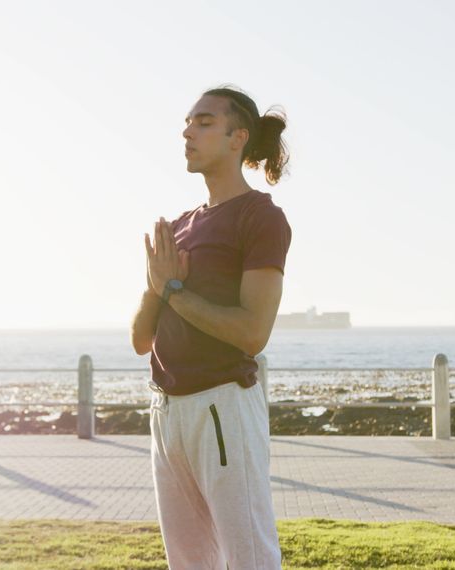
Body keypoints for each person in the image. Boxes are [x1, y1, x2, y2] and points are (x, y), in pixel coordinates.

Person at [130, 85, 291, 569]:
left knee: (250, 560)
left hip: (222, 407)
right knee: (189, 563)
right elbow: (141, 340)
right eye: (187, 122)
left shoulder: (260, 217)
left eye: (203, 122)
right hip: (167, 411)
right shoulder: (178, 225)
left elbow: (252, 333)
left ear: (238, 137)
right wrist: (158, 286)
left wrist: (175, 290)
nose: (187, 131)